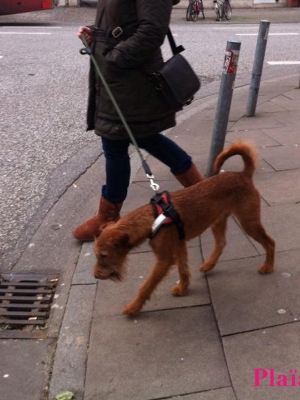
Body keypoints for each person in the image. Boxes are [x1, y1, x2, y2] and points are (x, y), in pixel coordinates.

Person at [73, 0, 203, 242]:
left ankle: (108, 216)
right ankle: (201, 191)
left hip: (133, 80)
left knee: (120, 141)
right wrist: (95, 33)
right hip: (120, 80)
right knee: (136, 139)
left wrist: (115, 57)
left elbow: (153, 30)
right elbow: (122, 20)